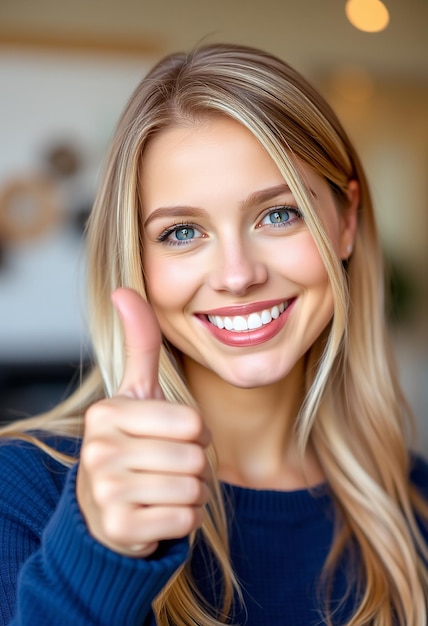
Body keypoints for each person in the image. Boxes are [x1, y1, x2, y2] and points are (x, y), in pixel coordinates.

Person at [0, 43, 427, 626]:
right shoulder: (23, 493)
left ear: (346, 221)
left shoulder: (418, 505)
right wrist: (97, 558)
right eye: (181, 232)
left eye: (279, 214)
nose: (237, 275)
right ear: (136, 260)